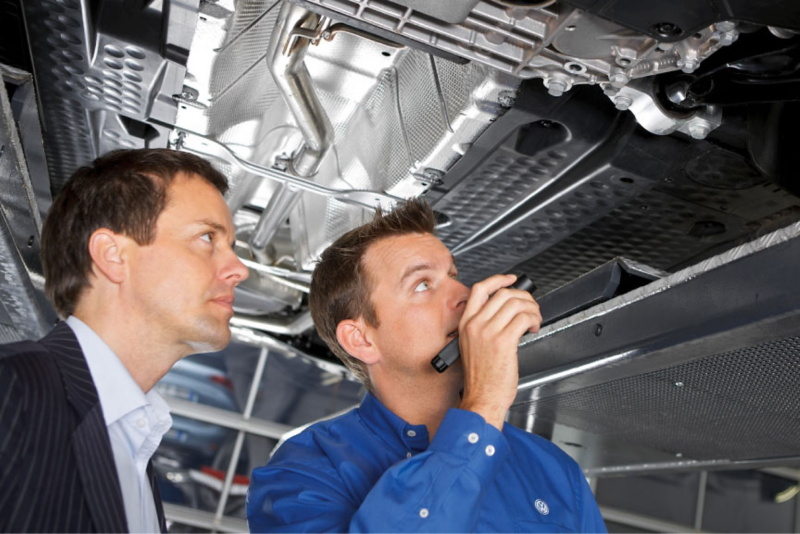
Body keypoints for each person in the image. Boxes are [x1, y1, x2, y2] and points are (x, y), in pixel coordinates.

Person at [247, 199, 605, 532]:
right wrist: (484, 405)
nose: (464, 293)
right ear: (362, 339)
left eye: (452, 275)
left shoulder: (556, 471)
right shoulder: (302, 474)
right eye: (422, 284)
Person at [0, 149, 249, 532]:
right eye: (207, 237)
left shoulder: (135, 448)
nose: (238, 270)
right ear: (112, 256)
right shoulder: (12, 388)